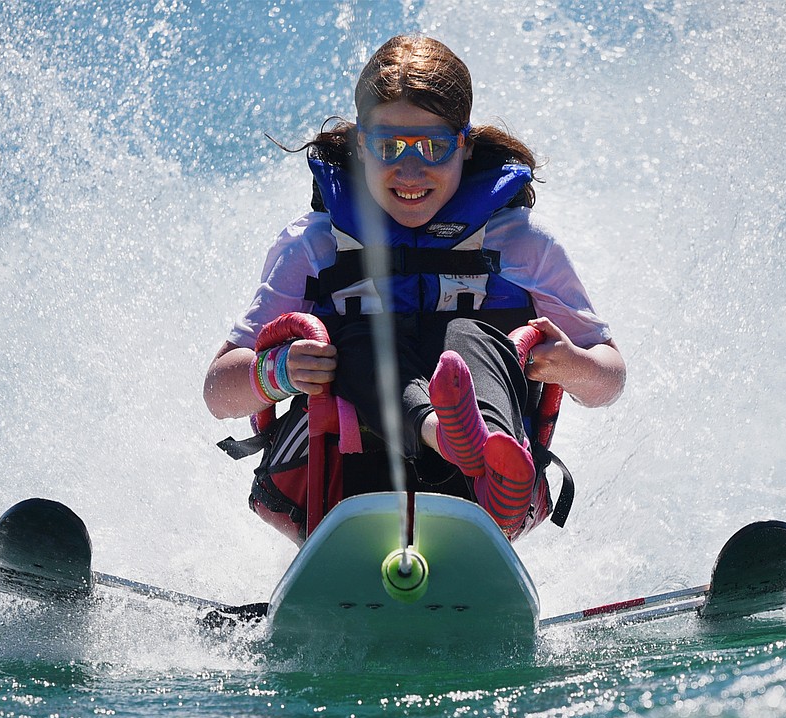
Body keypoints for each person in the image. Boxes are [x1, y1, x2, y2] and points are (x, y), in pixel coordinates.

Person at [204, 34, 625, 540]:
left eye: (433, 146)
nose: (411, 169)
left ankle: (489, 462)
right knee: (360, 339)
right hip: (340, 476)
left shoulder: (522, 245)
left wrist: (570, 363)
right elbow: (218, 390)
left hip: (488, 488)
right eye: (388, 147)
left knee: (470, 337)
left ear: (464, 145)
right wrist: (281, 371)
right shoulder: (314, 246)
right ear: (361, 144)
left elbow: (610, 378)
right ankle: (446, 436)